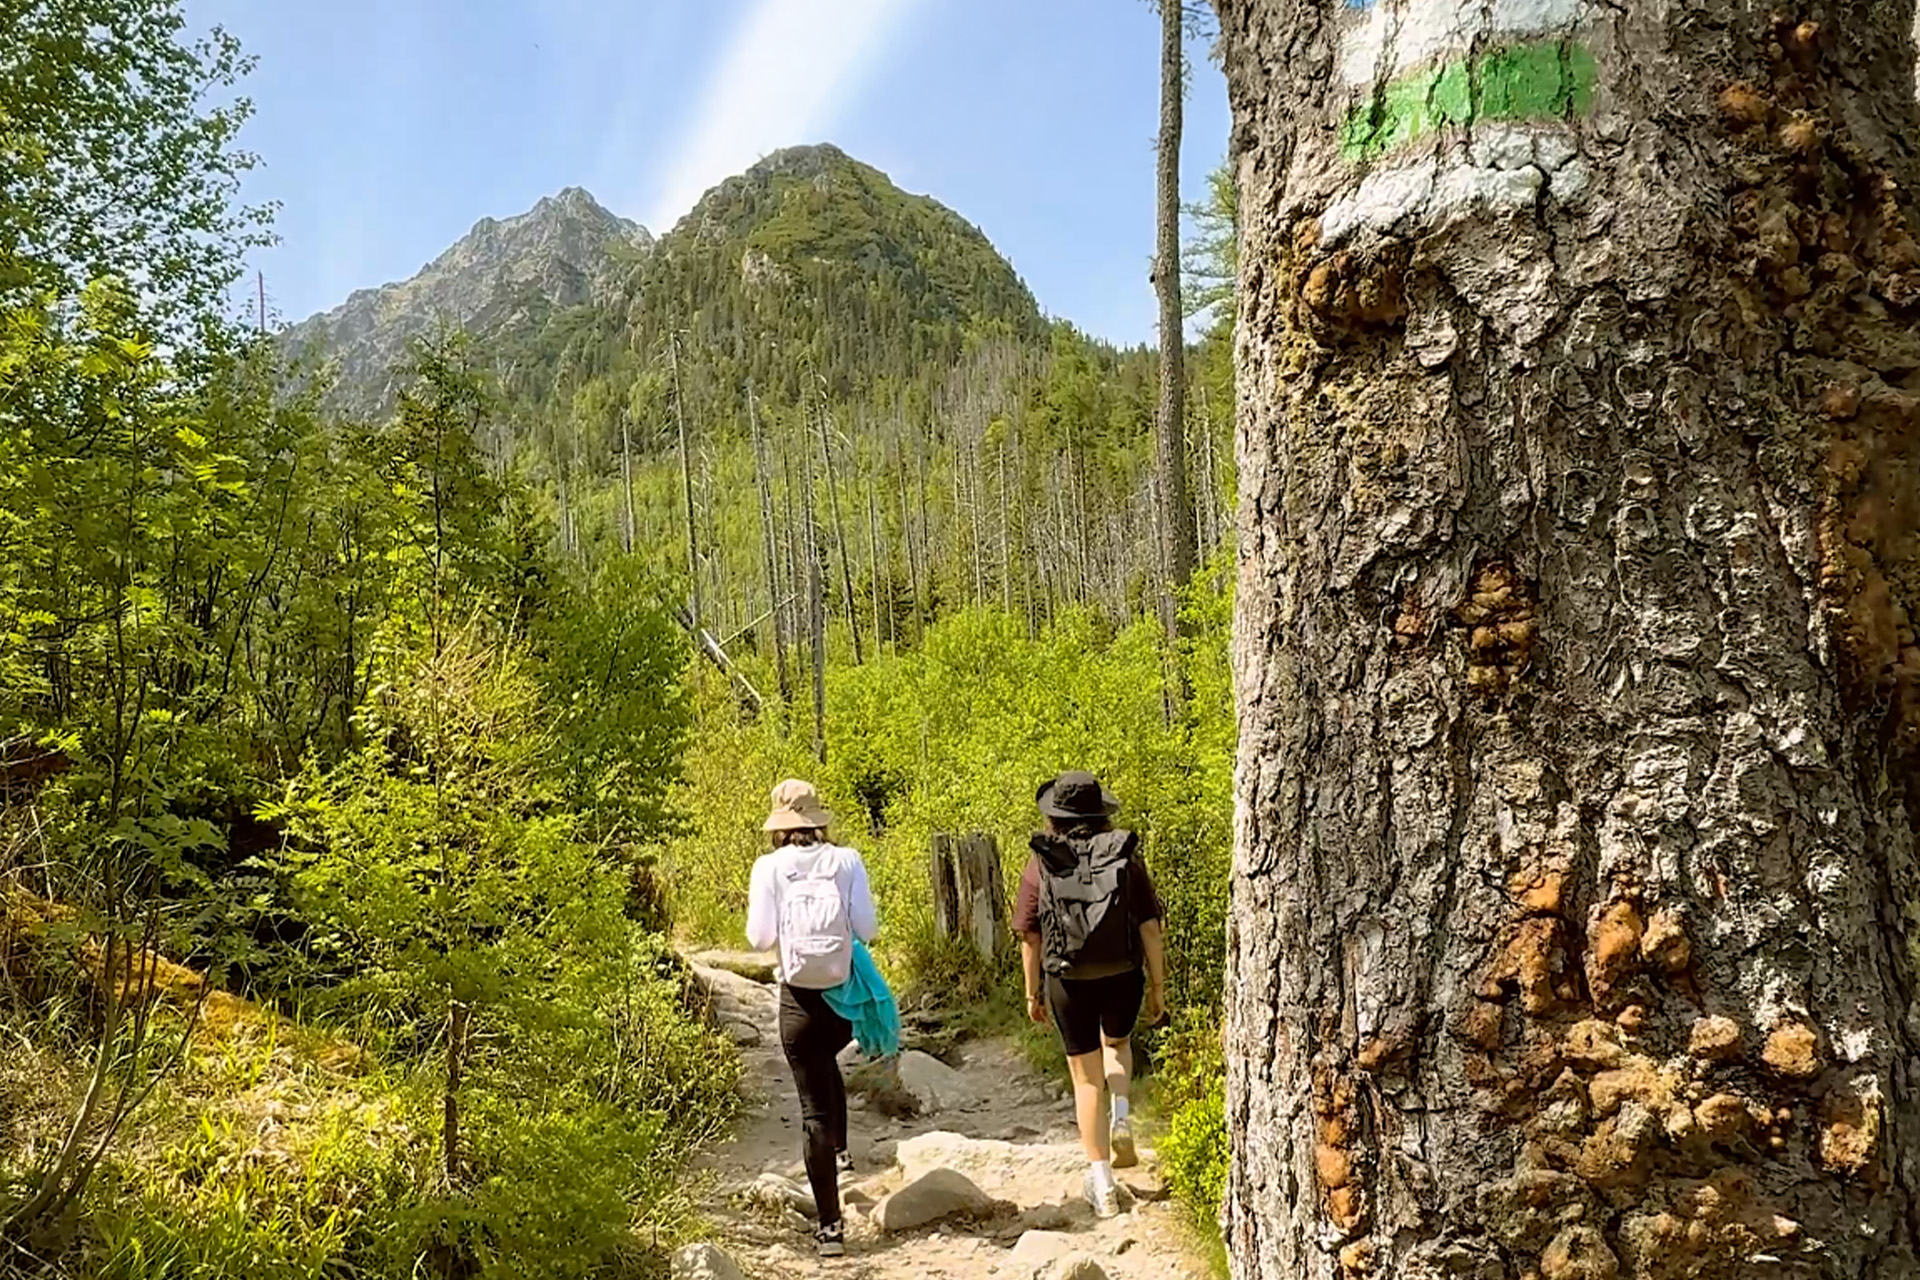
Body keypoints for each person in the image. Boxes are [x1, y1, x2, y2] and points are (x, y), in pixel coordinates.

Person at [1013, 770, 1168, 1219]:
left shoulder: (1041, 862)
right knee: (1116, 1045)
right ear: (1101, 813)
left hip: (1067, 979)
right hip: (1123, 973)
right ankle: (1121, 1115)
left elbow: (1029, 936)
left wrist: (1032, 993)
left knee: (1085, 1079)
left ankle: (1101, 1182)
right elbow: (1151, 929)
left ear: (1054, 818)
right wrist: (1158, 986)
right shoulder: (1124, 856)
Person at [745, 778, 878, 1259]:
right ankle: (842, 1155)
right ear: (818, 821)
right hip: (842, 1001)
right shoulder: (847, 860)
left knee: (812, 1110)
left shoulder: (768, 868)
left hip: (798, 1002)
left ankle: (830, 1230)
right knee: (828, 1065)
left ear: (779, 827)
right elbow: (868, 928)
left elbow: (759, 939)